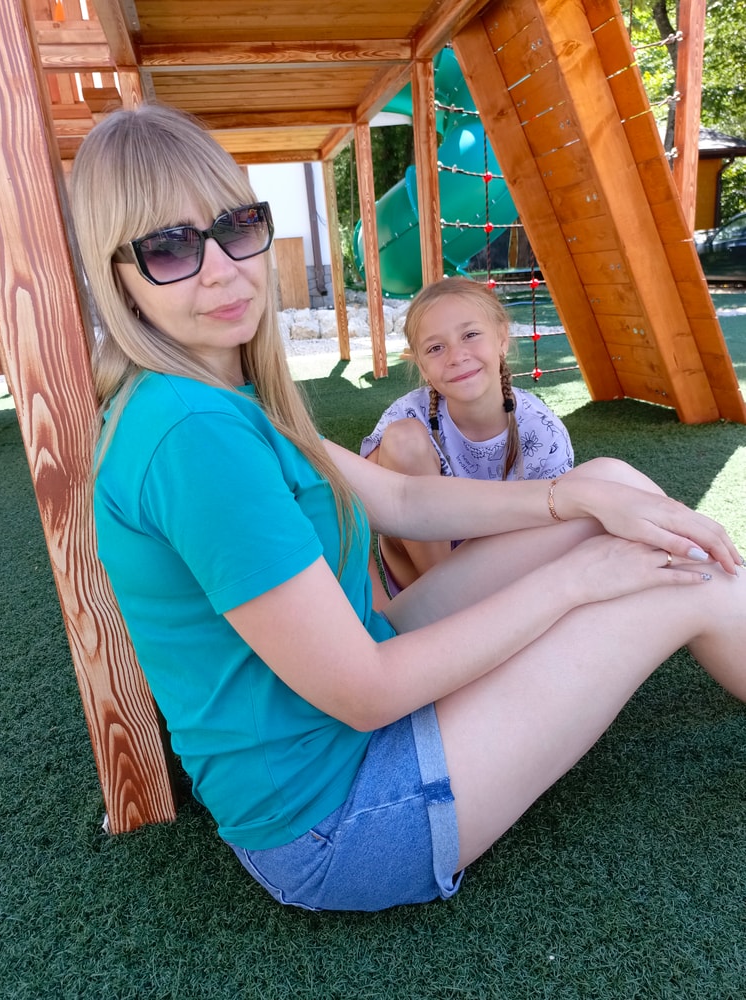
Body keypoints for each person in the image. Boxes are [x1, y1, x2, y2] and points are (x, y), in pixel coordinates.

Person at [70, 103, 745, 914]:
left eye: (236, 227)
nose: (221, 269)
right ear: (118, 274)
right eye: (170, 248)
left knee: (613, 481)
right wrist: (579, 581)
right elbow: (366, 692)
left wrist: (571, 493)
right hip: (338, 819)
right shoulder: (192, 432)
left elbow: (399, 496)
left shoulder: (220, 396)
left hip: (362, 689)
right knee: (686, 584)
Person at [361, 276, 574, 596]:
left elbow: (559, 530)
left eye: (470, 335)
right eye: (435, 348)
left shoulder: (542, 430)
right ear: (422, 366)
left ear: (502, 338)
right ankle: (446, 601)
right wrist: (375, 609)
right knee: (403, 440)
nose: (456, 356)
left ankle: (484, 608)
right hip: (423, 580)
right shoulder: (408, 415)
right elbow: (352, 510)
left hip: (504, 573)